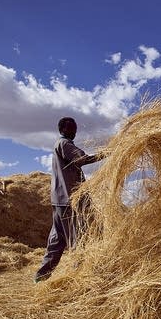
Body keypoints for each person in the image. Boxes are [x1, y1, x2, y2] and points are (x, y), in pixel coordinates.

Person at [34, 117, 105, 283]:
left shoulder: (58, 144)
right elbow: (82, 159)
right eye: (72, 128)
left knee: (57, 239)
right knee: (77, 239)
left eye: (75, 128)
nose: (75, 131)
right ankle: (77, 278)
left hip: (59, 199)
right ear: (63, 129)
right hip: (68, 200)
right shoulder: (65, 144)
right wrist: (105, 154)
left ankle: (41, 276)